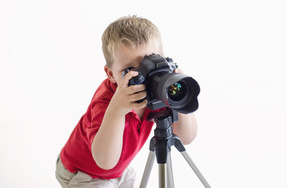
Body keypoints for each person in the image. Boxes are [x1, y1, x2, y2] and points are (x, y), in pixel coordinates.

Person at [55, 15, 198, 187]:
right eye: (131, 71)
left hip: (120, 168)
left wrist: (178, 91)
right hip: (84, 172)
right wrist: (116, 110)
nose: (145, 78)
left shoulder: (155, 90)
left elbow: (186, 137)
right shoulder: (107, 101)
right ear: (110, 74)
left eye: (152, 63)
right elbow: (105, 161)